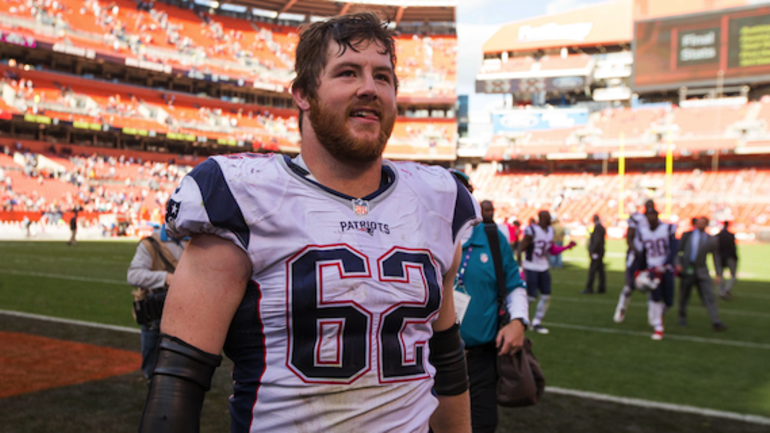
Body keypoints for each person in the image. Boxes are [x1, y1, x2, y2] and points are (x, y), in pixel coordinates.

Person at [140, 13, 476, 433]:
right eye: (348, 73)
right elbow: (178, 384)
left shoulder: (437, 198)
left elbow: (446, 362)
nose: (369, 88)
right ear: (303, 94)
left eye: (383, 77)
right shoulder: (244, 194)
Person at [457, 199, 528, 433]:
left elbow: (514, 285)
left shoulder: (493, 238)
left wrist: (518, 321)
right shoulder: (422, 235)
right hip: (429, 359)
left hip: (481, 357)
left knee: (482, 425)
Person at [127, 223, 187, 378]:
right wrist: (164, 278)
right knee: (152, 366)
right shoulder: (150, 244)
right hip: (156, 313)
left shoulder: (195, 242)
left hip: (186, 312)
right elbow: (133, 275)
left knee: (183, 367)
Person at [517, 210, 576, 334]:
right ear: (541, 218)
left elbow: (552, 250)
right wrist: (520, 266)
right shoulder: (532, 230)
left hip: (543, 267)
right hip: (531, 266)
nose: (549, 220)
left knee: (546, 295)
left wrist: (567, 247)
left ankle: (536, 322)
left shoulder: (550, 231)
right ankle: (519, 318)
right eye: (547, 217)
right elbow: (521, 248)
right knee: (531, 297)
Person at [676, 217, 728, 331]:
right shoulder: (687, 235)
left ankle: (716, 321)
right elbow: (677, 250)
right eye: (699, 222)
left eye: (703, 223)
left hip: (701, 270)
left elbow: (715, 257)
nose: (700, 224)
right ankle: (682, 316)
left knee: (709, 296)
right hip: (687, 269)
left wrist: (718, 273)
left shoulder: (711, 239)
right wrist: (678, 263)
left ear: (706, 225)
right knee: (684, 295)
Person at [635, 208, 677, 340]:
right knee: (655, 297)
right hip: (652, 270)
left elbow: (674, 248)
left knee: (669, 301)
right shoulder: (643, 231)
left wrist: (665, 264)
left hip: (666, 268)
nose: (650, 218)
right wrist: (639, 270)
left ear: (657, 216)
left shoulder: (667, 228)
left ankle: (657, 315)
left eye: (652, 215)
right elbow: (643, 252)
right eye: (648, 216)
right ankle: (658, 327)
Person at [613, 199, 655, 323]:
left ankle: (652, 316)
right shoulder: (637, 219)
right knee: (629, 286)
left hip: (650, 258)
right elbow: (629, 238)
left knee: (651, 286)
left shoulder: (657, 222)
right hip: (636, 256)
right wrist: (637, 252)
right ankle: (621, 310)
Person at [582, 214, 606, 294]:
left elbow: (597, 241)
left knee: (593, 270)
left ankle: (589, 288)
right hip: (600, 251)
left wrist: (592, 250)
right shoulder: (601, 227)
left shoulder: (597, 228)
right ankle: (601, 287)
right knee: (600, 270)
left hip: (597, 252)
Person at [717, 221, 738, 300]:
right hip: (729, 257)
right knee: (733, 275)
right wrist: (735, 257)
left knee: (720, 274)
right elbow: (733, 248)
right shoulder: (730, 235)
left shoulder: (718, 235)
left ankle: (721, 291)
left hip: (720, 257)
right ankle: (725, 290)